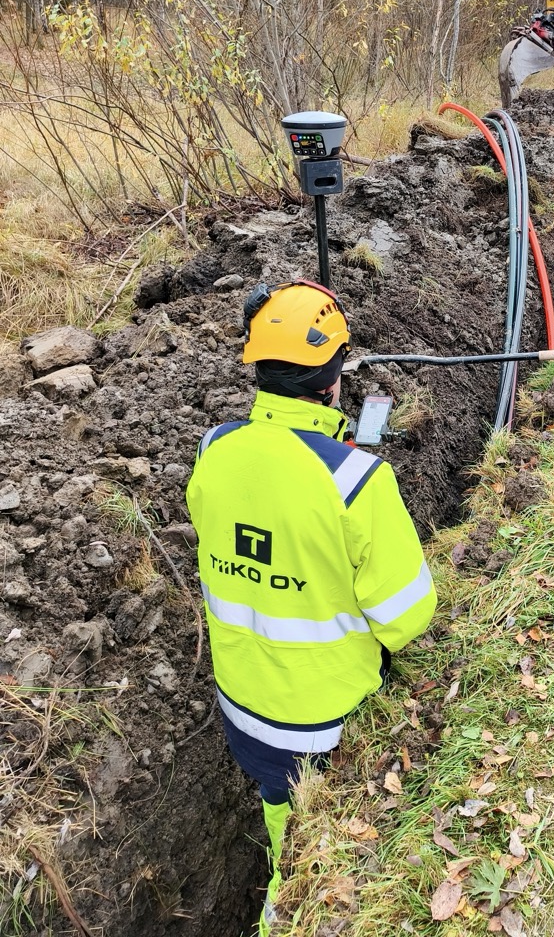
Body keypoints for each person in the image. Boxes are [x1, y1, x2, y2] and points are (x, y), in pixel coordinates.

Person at [186, 280, 437, 934]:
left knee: (280, 811)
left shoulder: (214, 450)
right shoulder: (356, 482)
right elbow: (407, 617)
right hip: (322, 728)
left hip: (242, 711)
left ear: (260, 373)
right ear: (333, 382)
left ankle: (282, 866)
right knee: (312, 857)